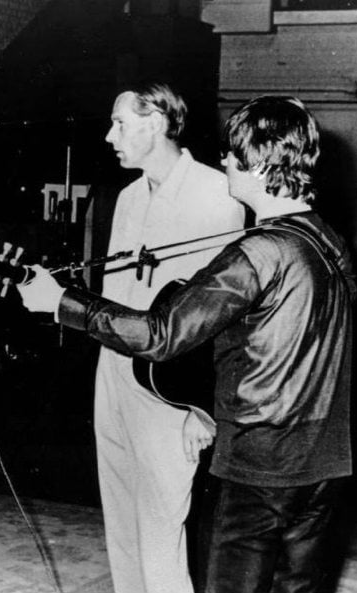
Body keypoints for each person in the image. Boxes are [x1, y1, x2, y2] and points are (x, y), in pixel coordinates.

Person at [17, 95, 354, 593]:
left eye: (234, 154)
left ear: (259, 164)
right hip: (321, 463)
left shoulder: (257, 252)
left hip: (258, 466)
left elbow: (160, 333)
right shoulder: (329, 241)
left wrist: (61, 302)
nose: (224, 162)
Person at [89, 82, 245, 593]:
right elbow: (114, 297)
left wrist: (202, 408)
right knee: (123, 526)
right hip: (114, 375)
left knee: (161, 533)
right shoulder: (128, 196)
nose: (110, 135)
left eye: (121, 124)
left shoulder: (217, 196)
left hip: (171, 391)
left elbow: (223, 320)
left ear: (155, 122)